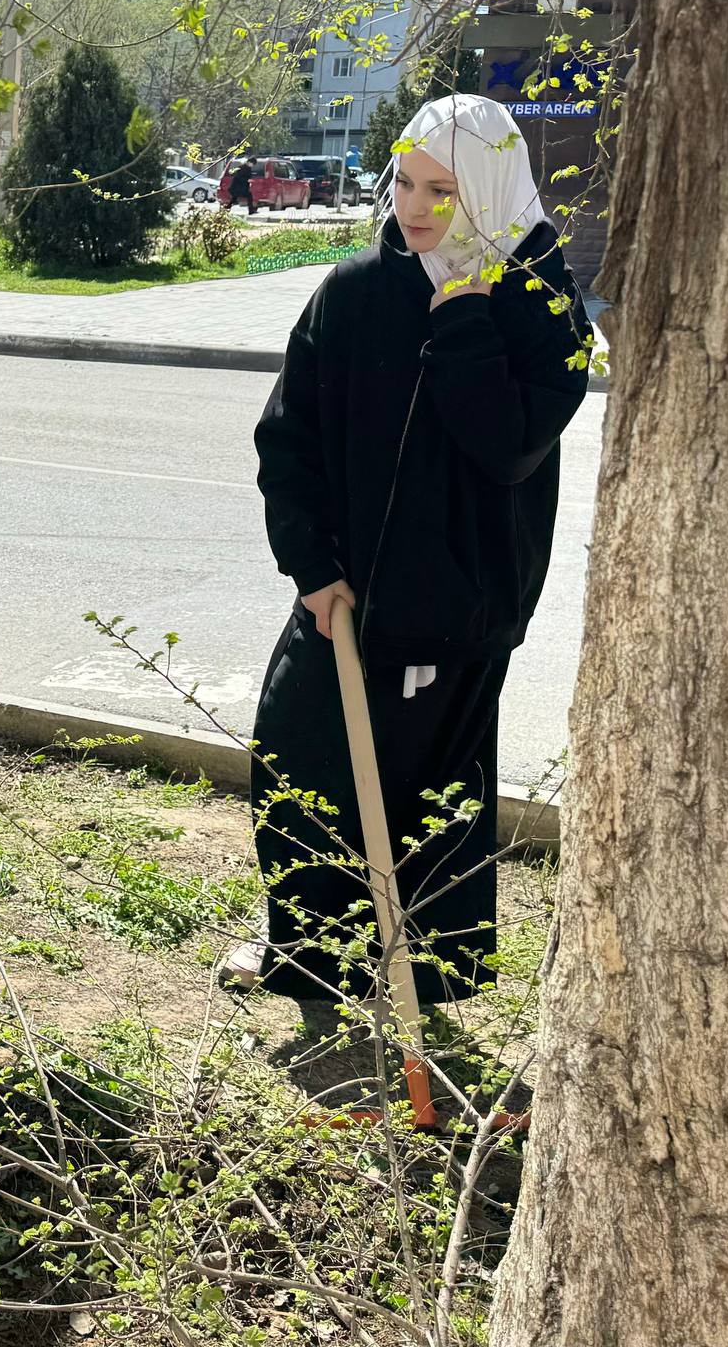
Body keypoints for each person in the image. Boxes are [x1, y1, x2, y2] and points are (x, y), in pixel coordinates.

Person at [233, 94, 590, 1007]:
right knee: (298, 760)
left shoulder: (546, 313)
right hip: (342, 596)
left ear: (498, 195)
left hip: (457, 612)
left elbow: (507, 446)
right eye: (406, 182)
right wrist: (311, 566)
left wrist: (463, 313)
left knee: (431, 797)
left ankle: (429, 979)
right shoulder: (353, 292)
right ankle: (313, 959)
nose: (418, 208)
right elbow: (290, 439)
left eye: (447, 192)